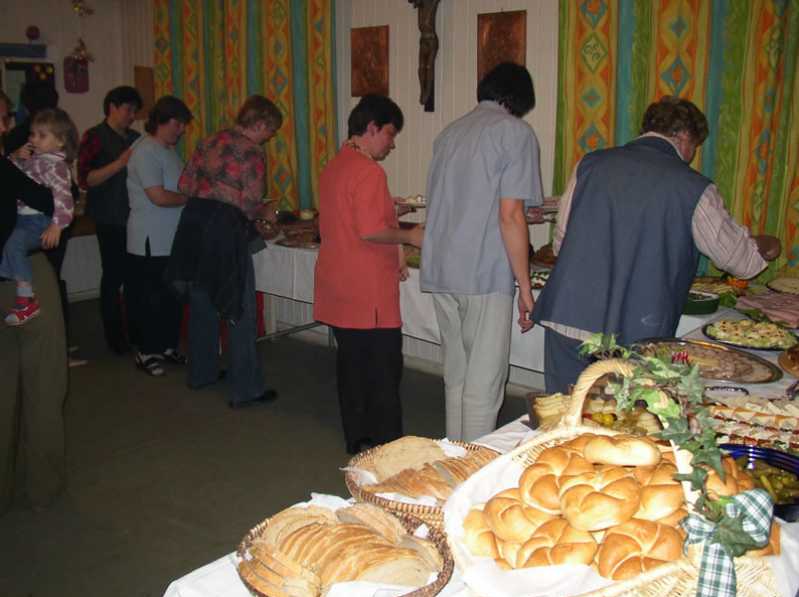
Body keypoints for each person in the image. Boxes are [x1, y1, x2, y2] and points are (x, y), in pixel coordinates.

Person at [533, 96, 781, 393]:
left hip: (568, 316)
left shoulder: (590, 164)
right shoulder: (693, 187)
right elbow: (739, 261)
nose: (691, 156)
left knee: (562, 410)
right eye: (694, 147)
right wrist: (766, 245)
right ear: (685, 137)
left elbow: (561, 243)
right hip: (637, 331)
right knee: (628, 416)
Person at [420, 62, 542, 442]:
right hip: (483, 273)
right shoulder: (515, 132)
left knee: (457, 377)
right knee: (484, 384)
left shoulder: (449, 133)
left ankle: (454, 459)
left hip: (441, 270)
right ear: (518, 100)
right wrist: (525, 286)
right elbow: (510, 216)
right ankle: (473, 470)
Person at [314, 95, 423, 454]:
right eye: (390, 134)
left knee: (352, 366)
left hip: (338, 283)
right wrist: (410, 235)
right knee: (382, 372)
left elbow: (353, 215)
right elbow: (371, 230)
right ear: (372, 128)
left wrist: (391, 208)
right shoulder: (369, 171)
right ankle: (387, 446)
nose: (392, 144)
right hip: (367, 290)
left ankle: (357, 438)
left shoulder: (336, 165)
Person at [170, 95, 282, 408]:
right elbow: (249, 203)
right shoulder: (252, 151)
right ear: (259, 124)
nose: (270, 136)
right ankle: (246, 389)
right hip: (224, 231)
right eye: (270, 130)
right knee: (239, 307)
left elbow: (184, 185)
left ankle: (201, 373)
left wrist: (213, 193)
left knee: (202, 300)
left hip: (193, 224)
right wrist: (268, 212)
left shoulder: (208, 141)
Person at [0, 90, 68, 515]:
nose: (8, 127)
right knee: (43, 384)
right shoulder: (13, 167)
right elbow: (47, 201)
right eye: (3, 118)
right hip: (22, 272)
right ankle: (43, 487)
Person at [126, 95, 192, 377]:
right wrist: (191, 200)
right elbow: (159, 197)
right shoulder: (144, 151)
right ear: (163, 121)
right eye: (179, 124)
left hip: (172, 237)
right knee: (150, 298)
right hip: (149, 239)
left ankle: (166, 346)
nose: (182, 130)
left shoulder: (169, 150)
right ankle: (145, 351)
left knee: (171, 296)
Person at [77, 85, 142, 354]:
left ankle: (137, 332)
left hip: (136, 217)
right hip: (109, 218)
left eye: (135, 111)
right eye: (128, 110)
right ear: (112, 107)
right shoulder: (94, 137)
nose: (132, 116)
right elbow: (86, 179)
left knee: (135, 277)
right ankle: (115, 338)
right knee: (113, 277)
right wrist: (119, 163)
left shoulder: (136, 138)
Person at [0, 108, 78, 325]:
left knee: (14, 243)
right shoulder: (37, 159)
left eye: (42, 136)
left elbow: (65, 199)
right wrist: (15, 158)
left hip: (37, 221)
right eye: (33, 134)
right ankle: (19, 286)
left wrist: (56, 225)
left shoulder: (56, 166)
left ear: (60, 141)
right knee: (9, 247)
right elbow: (15, 178)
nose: (34, 139)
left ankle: (27, 300)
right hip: (24, 218)